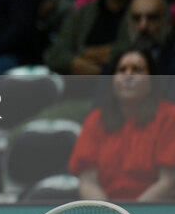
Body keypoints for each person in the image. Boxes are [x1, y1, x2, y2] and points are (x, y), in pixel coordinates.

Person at [69, 47, 175, 201]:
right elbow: (88, 182)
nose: (128, 75)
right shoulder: (96, 119)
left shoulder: (169, 117)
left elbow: (169, 182)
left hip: (156, 213)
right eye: (122, 69)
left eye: (137, 69)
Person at [45, 0, 138, 75]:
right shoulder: (84, 13)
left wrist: (108, 54)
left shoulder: (145, 12)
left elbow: (145, 45)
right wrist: (77, 63)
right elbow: (55, 55)